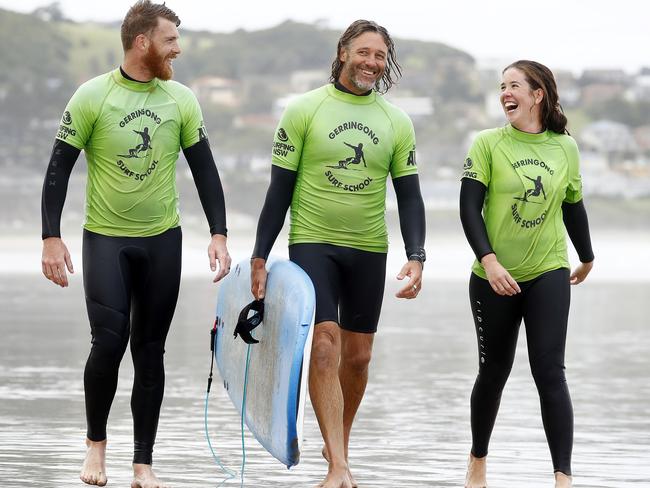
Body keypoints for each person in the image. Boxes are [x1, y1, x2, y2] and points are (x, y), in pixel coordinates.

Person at [40, 1, 231, 486]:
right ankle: (96, 448)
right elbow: (58, 169)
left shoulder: (181, 99)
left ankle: (143, 463)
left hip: (162, 240)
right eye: (170, 40)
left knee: (150, 350)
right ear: (142, 42)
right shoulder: (92, 96)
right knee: (107, 344)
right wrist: (50, 237)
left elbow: (204, 169)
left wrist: (218, 232)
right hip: (105, 238)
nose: (178, 49)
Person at [250, 19, 426, 488]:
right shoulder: (305, 109)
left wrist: (417, 254)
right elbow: (278, 191)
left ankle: (338, 447)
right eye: (364, 52)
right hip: (313, 241)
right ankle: (339, 468)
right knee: (324, 344)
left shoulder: (397, 121)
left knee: (359, 358)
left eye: (380, 56)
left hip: (369, 247)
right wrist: (260, 256)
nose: (372, 62)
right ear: (344, 51)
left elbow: (408, 195)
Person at [459, 60, 595, 488]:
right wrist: (489, 260)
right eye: (502, 86)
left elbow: (572, 203)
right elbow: (468, 208)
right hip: (493, 276)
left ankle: (563, 478)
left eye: (514, 85)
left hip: (547, 270)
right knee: (494, 371)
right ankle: (478, 460)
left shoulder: (565, 148)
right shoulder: (486, 144)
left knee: (550, 371)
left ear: (538, 95)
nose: (505, 93)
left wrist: (586, 255)